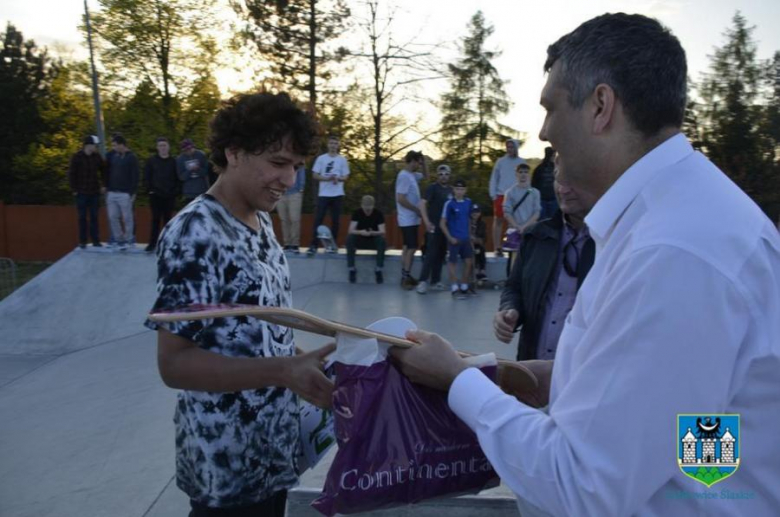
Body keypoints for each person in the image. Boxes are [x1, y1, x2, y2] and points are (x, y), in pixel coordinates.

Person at [391, 13, 780, 516]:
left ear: (600, 107)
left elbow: (583, 485)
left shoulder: (674, 252)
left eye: (551, 108)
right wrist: (500, 375)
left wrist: (458, 383)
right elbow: (656, 386)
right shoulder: (673, 217)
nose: (544, 130)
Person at [144, 92, 335, 517]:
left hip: (275, 454)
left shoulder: (262, 220)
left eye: (297, 167)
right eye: (278, 162)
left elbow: (257, 336)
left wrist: (310, 369)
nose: (289, 180)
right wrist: (284, 371)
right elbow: (173, 365)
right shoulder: (195, 232)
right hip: (226, 469)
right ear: (233, 153)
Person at [494, 167, 595, 362]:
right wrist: (509, 310)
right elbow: (513, 287)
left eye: (573, 180)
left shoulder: (614, 242)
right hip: (531, 372)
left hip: (583, 375)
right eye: (558, 179)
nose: (563, 190)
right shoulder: (536, 235)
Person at [306, 136, 350, 255]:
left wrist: (338, 179)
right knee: (318, 219)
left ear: (338, 145)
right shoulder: (321, 159)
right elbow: (315, 175)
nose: (333, 146)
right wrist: (327, 178)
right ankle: (313, 245)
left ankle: (333, 244)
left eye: (335, 143)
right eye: (331, 143)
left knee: (336, 221)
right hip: (324, 194)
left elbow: (346, 176)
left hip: (337, 194)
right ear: (328, 144)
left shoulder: (342, 160)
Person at [416, 164, 453, 294]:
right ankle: (422, 281)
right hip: (433, 226)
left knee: (441, 254)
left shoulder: (451, 190)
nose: (443, 177)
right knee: (430, 254)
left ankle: (435, 281)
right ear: (437, 175)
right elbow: (422, 204)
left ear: (449, 175)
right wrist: (426, 221)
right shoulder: (432, 188)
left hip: (446, 227)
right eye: (441, 174)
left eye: (446, 174)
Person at [489, 139, 526, 257]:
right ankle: (497, 247)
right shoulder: (501, 162)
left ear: (516, 148)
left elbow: (525, 178)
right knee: (498, 221)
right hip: (501, 195)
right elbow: (494, 178)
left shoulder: (521, 162)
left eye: (511, 147)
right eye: (508, 147)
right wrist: (493, 194)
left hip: (516, 196)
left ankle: (512, 245)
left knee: (514, 223)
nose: (509, 149)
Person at [68, 135, 105, 249]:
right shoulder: (77, 157)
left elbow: (104, 170)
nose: (96, 147)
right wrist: (74, 189)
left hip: (94, 192)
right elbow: (71, 174)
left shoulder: (97, 157)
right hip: (81, 192)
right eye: (95, 145)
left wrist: (104, 185)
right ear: (88, 145)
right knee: (82, 217)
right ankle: (83, 241)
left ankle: (95, 240)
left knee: (94, 216)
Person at [395, 150, 425, 289]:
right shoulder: (404, 176)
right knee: (412, 248)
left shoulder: (412, 175)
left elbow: (425, 176)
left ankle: (406, 275)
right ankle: (405, 277)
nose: (419, 165)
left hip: (412, 219)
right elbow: (400, 198)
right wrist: (416, 209)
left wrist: (424, 163)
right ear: (412, 161)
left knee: (408, 247)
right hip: (407, 219)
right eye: (418, 162)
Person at [502, 163, 541, 267]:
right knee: (514, 262)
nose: (523, 175)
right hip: (515, 232)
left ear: (529, 174)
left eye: (526, 172)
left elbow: (537, 212)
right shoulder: (510, 192)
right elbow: (506, 212)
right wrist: (517, 226)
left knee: (530, 261)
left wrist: (525, 226)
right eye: (520, 172)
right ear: (516, 174)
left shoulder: (535, 192)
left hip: (530, 230)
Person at [144, 137, 179, 253]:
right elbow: (147, 177)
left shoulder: (173, 161)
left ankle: (168, 244)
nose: (162, 148)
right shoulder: (151, 161)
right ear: (157, 147)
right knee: (155, 220)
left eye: (164, 145)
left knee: (168, 221)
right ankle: (152, 244)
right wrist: (150, 190)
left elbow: (177, 178)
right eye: (160, 145)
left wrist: (175, 191)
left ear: (168, 147)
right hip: (155, 196)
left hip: (169, 196)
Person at [104, 134, 139, 250]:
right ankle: (118, 238)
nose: (113, 147)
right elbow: (106, 170)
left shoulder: (131, 157)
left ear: (121, 145)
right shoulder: (113, 156)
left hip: (125, 193)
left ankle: (129, 238)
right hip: (112, 192)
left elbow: (135, 176)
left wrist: (133, 192)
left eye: (115, 145)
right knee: (112, 216)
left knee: (127, 217)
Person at [440, 179, 474, 299]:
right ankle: (454, 286)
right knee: (452, 262)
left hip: (465, 238)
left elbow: (469, 219)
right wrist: (449, 237)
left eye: (462, 189)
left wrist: (470, 235)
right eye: (457, 189)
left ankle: (464, 284)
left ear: (465, 190)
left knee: (469, 261)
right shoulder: (449, 204)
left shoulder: (468, 202)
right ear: (453, 190)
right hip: (454, 238)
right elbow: (442, 223)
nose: (459, 191)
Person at [346, 195, 386, 284]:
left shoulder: (378, 214)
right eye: (365, 208)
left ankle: (378, 269)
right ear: (362, 206)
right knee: (349, 238)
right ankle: (351, 268)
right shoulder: (357, 213)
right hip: (361, 239)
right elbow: (350, 230)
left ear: (373, 206)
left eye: (369, 209)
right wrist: (361, 232)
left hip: (373, 240)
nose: (367, 211)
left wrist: (373, 232)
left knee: (382, 240)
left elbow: (382, 231)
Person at [277, 164, 306, 252]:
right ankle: (287, 243)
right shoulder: (280, 161)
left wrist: (300, 189)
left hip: (295, 193)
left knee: (294, 219)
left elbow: (301, 174)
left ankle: (295, 244)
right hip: (281, 193)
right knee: (283, 219)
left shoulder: (298, 162)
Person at [177, 138, 210, 205]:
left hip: (201, 190)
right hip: (189, 193)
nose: (189, 151)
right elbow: (181, 177)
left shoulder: (201, 155)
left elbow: (206, 172)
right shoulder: (180, 159)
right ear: (183, 150)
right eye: (187, 150)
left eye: (191, 148)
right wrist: (190, 170)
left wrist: (198, 169)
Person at [532, 147, 558, 219]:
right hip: (541, 200)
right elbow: (533, 184)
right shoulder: (539, 169)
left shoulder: (556, 168)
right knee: (542, 221)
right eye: (553, 155)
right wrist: (532, 196)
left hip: (554, 199)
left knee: (553, 221)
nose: (554, 157)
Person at [469, 204, 487, 282]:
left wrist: (477, 239)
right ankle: (476, 271)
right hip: (468, 244)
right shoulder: (467, 222)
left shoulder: (482, 224)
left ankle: (482, 271)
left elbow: (484, 238)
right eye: (473, 212)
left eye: (477, 212)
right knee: (474, 250)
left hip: (477, 244)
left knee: (481, 250)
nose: (475, 214)